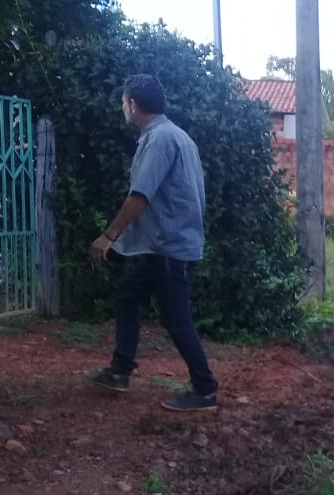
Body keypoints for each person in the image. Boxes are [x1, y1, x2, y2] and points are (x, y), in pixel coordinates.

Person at [85, 74, 220, 412]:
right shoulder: (177, 136)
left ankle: (204, 389)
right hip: (164, 245)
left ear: (133, 104)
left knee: (177, 319)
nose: (122, 108)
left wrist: (108, 235)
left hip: (170, 248)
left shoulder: (158, 139)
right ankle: (120, 371)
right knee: (127, 296)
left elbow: (140, 196)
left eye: (123, 102)